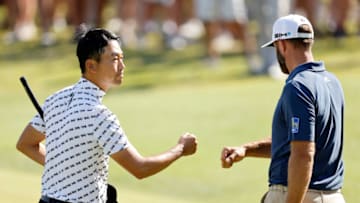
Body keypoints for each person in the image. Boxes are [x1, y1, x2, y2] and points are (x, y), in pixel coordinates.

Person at [16, 28, 198, 203]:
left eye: (122, 58)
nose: (123, 65)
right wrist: (181, 149)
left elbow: (25, 144)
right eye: (115, 59)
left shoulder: (56, 99)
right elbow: (140, 168)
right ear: (91, 65)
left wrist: (68, 167)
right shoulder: (99, 116)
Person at [220, 14, 345, 203]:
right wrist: (246, 149)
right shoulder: (332, 82)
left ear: (282, 44)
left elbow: (303, 154)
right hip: (333, 197)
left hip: (302, 196)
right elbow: (297, 141)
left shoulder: (298, 86)